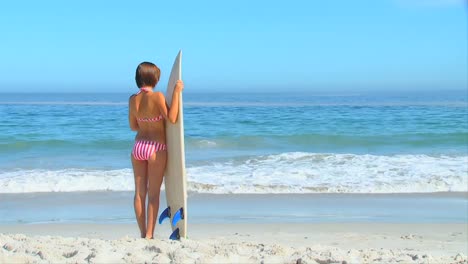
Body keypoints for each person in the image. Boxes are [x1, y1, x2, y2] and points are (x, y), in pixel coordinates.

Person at [128, 61, 184, 239]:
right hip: (155, 148)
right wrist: (176, 93)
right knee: (153, 194)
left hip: (138, 147)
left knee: (139, 193)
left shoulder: (133, 99)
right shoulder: (158, 96)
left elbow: (133, 126)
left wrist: (146, 121)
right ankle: (150, 235)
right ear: (155, 78)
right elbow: (172, 118)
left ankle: (142, 232)